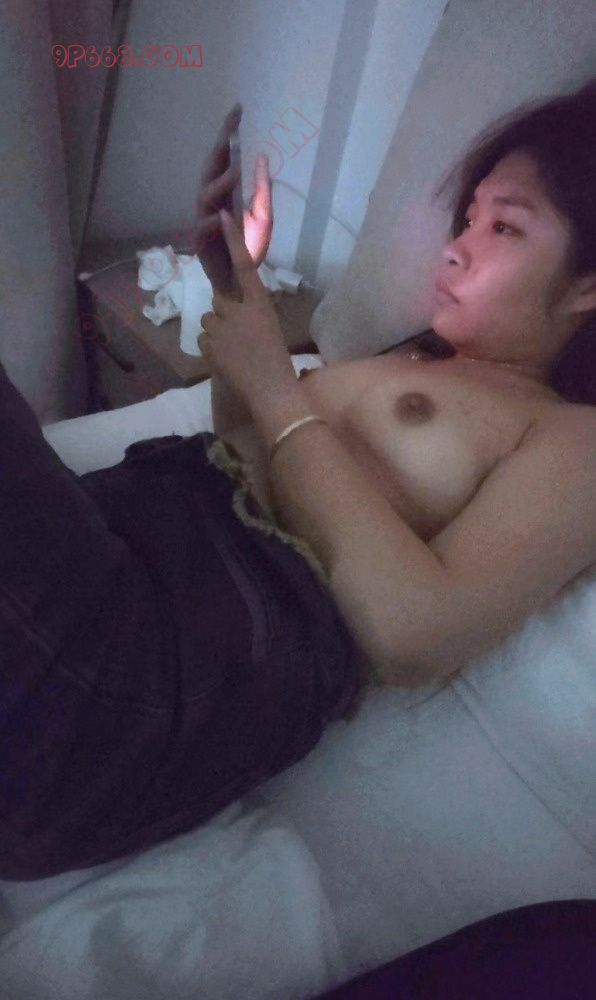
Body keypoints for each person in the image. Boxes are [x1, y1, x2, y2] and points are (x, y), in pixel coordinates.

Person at [1, 82, 595, 882]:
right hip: (127, 555)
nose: (456, 248)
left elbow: (418, 636)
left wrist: (280, 389)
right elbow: (243, 452)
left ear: (588, 284)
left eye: (505, 227)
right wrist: (232, 286)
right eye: (467, 220)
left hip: (143, 675)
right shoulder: (413, 362)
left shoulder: (571, 437)